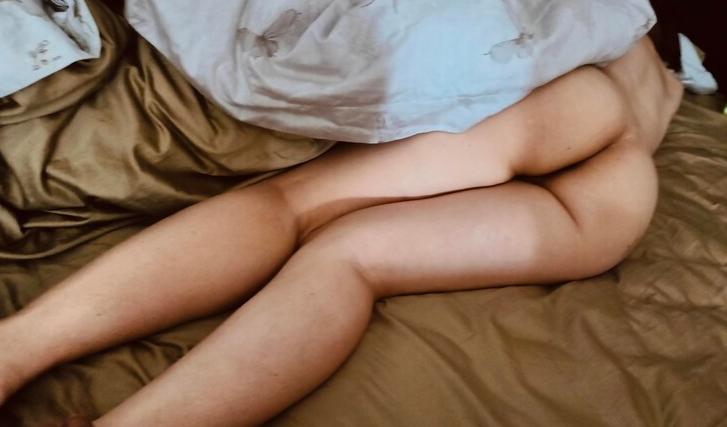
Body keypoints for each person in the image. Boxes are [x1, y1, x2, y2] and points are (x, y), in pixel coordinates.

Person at [0, 36, 682, 427]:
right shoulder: (663, 61)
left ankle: (16, 349)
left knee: (291, 205)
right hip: (605, 204)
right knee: (347, 259)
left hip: (566, 104)